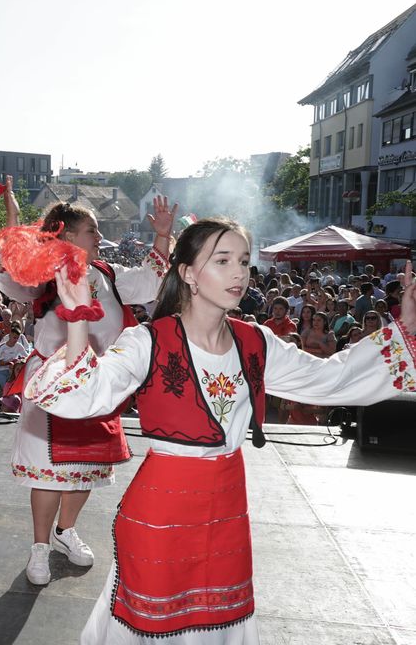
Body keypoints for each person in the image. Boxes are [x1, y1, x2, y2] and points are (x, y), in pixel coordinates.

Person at [24, 218, 416, 644]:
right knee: (151, 626)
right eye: (223, 260)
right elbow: (84, 396)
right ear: (188, 273)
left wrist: (405, 332)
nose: (238, 273)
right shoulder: (148, 341)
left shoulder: (256, 342)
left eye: (244, 261)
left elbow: (330, 380)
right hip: (162, 513)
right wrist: (79, 318)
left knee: (220, 621)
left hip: (227, 507)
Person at [0, 181, 172, 586]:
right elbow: (7, 269)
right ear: (68, 234)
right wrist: (12, 225)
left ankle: (65, 531)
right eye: (92, 230)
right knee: (47, 471)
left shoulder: (108, 272)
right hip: (52, 384)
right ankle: (39, 548)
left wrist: (161, 235)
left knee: (86, 467)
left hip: (99, 384)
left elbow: (151, 280)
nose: (100, 237)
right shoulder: (43, 274)